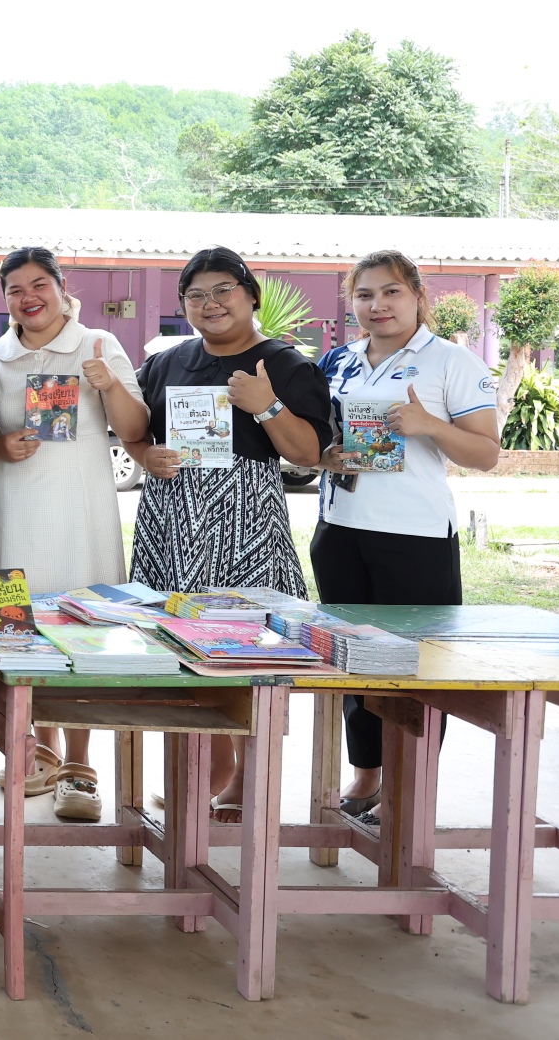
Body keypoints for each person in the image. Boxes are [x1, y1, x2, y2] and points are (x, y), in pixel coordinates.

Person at [125, 247, 333, 823]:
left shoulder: (284, 364)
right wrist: (145, 455)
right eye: (196, 295)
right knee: (177, 640)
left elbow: (308, 454)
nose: (210, 303)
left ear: (251, 296)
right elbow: (135, 430)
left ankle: (247, 775)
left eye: (223, 290)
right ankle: (205, 766)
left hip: (245, 518)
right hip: (173, 516)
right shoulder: (167, 362)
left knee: (253, 647)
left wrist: (267, 406)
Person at [312, 250, 500, 828]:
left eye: (391, 292)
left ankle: (408, 788)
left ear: (418, 296)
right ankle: (367, 773)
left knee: (417, 667)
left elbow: (486, 453)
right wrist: (326, 455)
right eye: (365, 295)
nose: (378, 305)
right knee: (353, 660)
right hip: (340, 531)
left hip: (415, 537)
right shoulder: (337, 361)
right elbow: (320, 437)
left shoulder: (451, 361)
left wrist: (428, 426)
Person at [0, 246, 148, 821]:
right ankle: (38, 747)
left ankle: (80, 762)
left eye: (39, 285)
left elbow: (135, 428)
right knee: (16, 627)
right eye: (15, 290)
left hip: (80, 512)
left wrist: (109, 386)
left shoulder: (97, 343)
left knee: (83, 633)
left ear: (61, 287)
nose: (28, 298)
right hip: (12, 510)